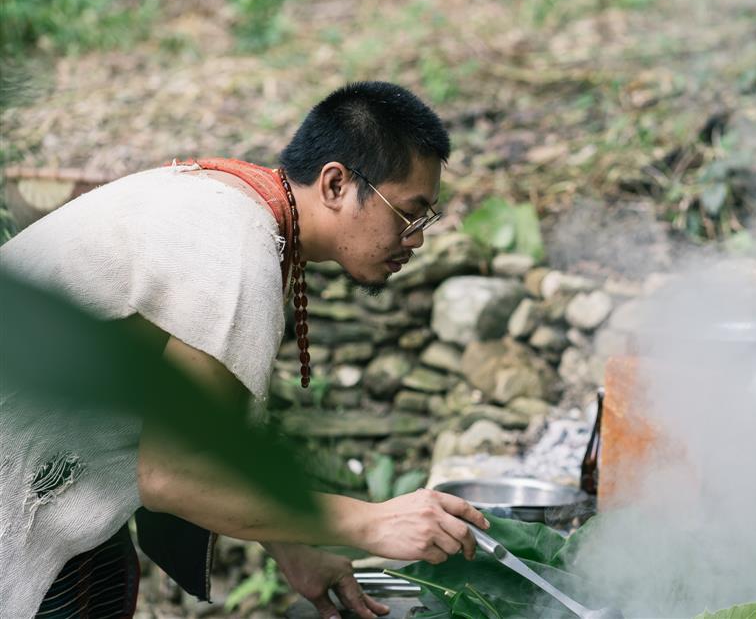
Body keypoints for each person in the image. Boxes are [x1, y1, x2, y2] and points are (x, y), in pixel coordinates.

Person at [0, 81, 490, 618]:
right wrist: (371, 523)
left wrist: (295, 549)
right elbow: (173, 477)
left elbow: (207, 427)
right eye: (408, 213)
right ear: (335, 184)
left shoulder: (233, 204)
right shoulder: (233, 254)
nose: (416, 238)